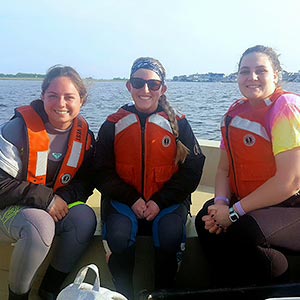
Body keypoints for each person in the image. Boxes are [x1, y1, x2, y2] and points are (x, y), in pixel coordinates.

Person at [93, 57, 205, 299]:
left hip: (167, 203)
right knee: (119, 237)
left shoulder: (179, 124)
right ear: (129, 86)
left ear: (162, 89)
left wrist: (159, 201)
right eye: (138, 83)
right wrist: (132, 199)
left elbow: (192, 171)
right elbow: (101, 171)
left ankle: (162, 293)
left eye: (153, 85)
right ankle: (123, 294)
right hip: (124, 202)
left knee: (169, 235)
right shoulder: (112, 124)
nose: (145, 90)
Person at [195, 45, 300, 288]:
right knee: (206, 218)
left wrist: (233, 213)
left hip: (292, 205)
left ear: (275, 75)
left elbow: (290, 182)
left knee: (245, 231)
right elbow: (223, 170)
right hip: (255, 203)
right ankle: (227, 287)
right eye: (244, 71)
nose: (251, 77)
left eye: (260, 71)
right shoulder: (234, 114)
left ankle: (280, 290)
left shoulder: (285, 108)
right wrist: (221, 205)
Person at [0, 65, 97, 300]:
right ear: (43, 96)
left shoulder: (85, 136)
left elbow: (86, 181)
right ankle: (18, 297)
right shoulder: (16, 130)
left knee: (84, 218)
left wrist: (63, 199)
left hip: (50, 206)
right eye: (52, 95)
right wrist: (47, 199)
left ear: (81, 101)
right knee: (40, 223)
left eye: (69, 97)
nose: (60, 103)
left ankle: (49, 291)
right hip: (9, 210)